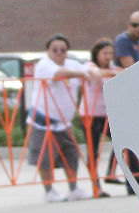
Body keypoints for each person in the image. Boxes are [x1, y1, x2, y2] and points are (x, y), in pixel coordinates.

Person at [27, 34, 102, 203]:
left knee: (71, 155)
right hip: (43, 121)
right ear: (48, 51)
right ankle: (49, 191)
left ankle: (73, 189)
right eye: (55, 50)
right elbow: (59, 73)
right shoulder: (44, 65)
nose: (59, 53)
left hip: (64, 123)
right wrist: (82, 73)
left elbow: (89, 69)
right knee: (45, 158)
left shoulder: (72, 64)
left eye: (63, 50)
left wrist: (93, 72)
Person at [112, 13, 139, 191]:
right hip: (125, 96)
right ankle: (133, 181)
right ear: (128, 24)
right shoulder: (122, 41)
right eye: (135, 25)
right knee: (129, 141)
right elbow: (130, 67)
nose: (138, 29)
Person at [79, 39, 119, 198]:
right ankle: (96, 186)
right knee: (93, 151)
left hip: (107, 115)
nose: (108, 56)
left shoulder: (112, 67)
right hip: (90, 115)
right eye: (105, 53)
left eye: (110, 53)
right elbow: (96, 75)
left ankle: (111, 171)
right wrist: (110, 72)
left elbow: (124, 72)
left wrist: (111, 71)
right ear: (97, 54)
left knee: (121, 142)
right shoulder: (88, 66)